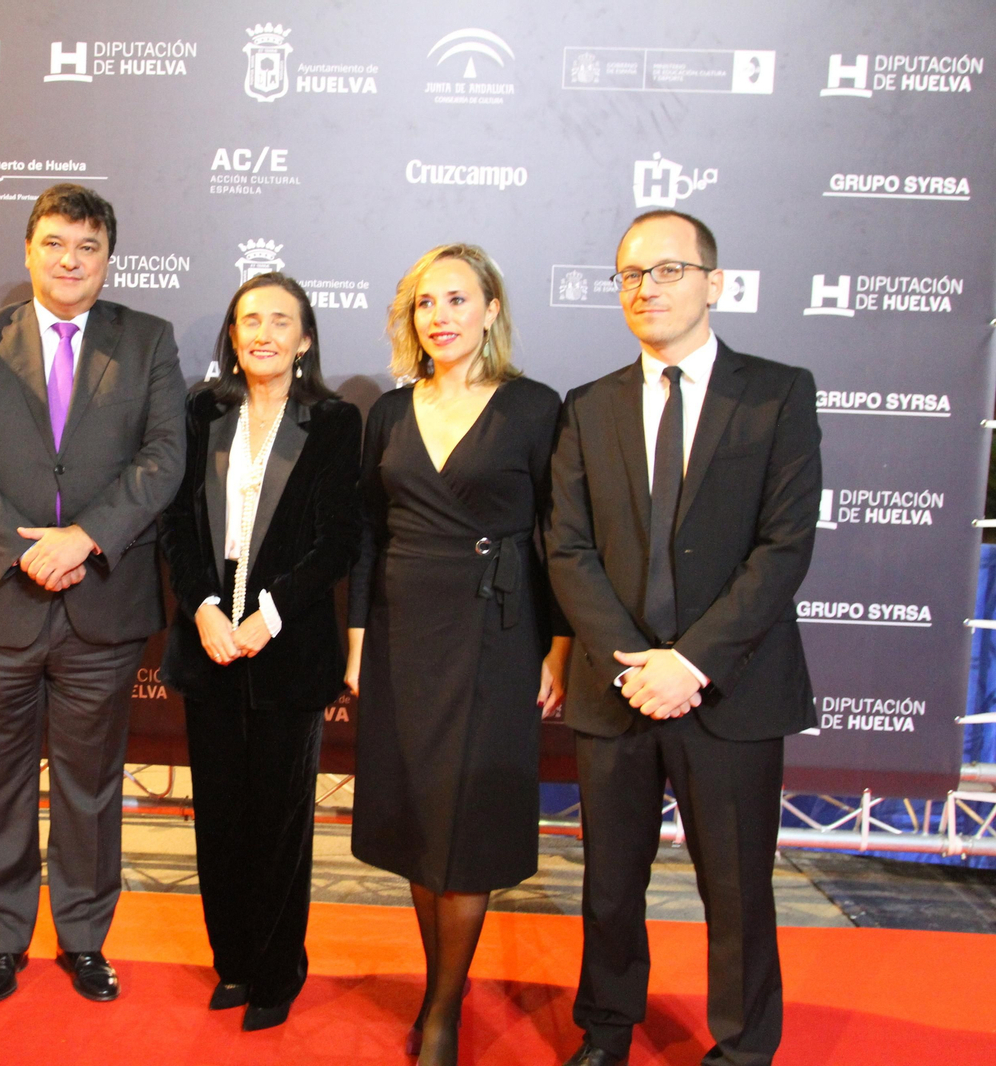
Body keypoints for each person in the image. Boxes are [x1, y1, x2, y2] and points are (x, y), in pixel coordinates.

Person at [545, 210, 821, 1066]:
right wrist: (634, 663)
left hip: (729, 688)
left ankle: (742, 1045)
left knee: (737, 890)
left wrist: (690, 663)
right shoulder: (588, 406)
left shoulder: (777, 393)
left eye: (667, 271)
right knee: (610, 884)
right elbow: (567, 546)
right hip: (617, 683)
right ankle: (607, 1028)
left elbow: (785, 547)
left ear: (715, 283)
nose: (647, 289)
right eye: (630, 275)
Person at [0, 183, 184, 1004]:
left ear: (109, 258)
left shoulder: (147, 341)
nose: (70, 260)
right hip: (2, 602)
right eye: (55, 244)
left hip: (102, 603)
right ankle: (4, 936)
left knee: (89, 783)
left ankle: (82, 937)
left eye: (87, 247)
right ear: (28, 250)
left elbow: (164, 458)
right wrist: (19, 549)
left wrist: (87, 538)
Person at [346, 244, 570, 1066]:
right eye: (424, 304)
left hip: (496, 631)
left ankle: (440, 1012)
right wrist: (360, 637)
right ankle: (445, 981)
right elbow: (369, 531)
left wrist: (562, 642)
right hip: (403, 630)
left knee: (465, 821)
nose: (440, 316)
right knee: (414, 815)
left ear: (491, 309)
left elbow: (560, 537)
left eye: (456, 299)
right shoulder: (390, 414)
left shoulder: (535, 407)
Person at [159, 272, 361, 1031]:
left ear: (305, 337)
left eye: (281, 321)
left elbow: (337, 539)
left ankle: (279, 970)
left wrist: (267, 615)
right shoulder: (203, 412)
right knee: (219, 815)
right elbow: (177, 525)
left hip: (289, 639)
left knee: (280, 819)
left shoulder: (336, 422)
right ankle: (234, 964)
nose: (264, 334)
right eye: (250, 320)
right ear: (233, 337)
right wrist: (206, 608)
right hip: (208, 633)